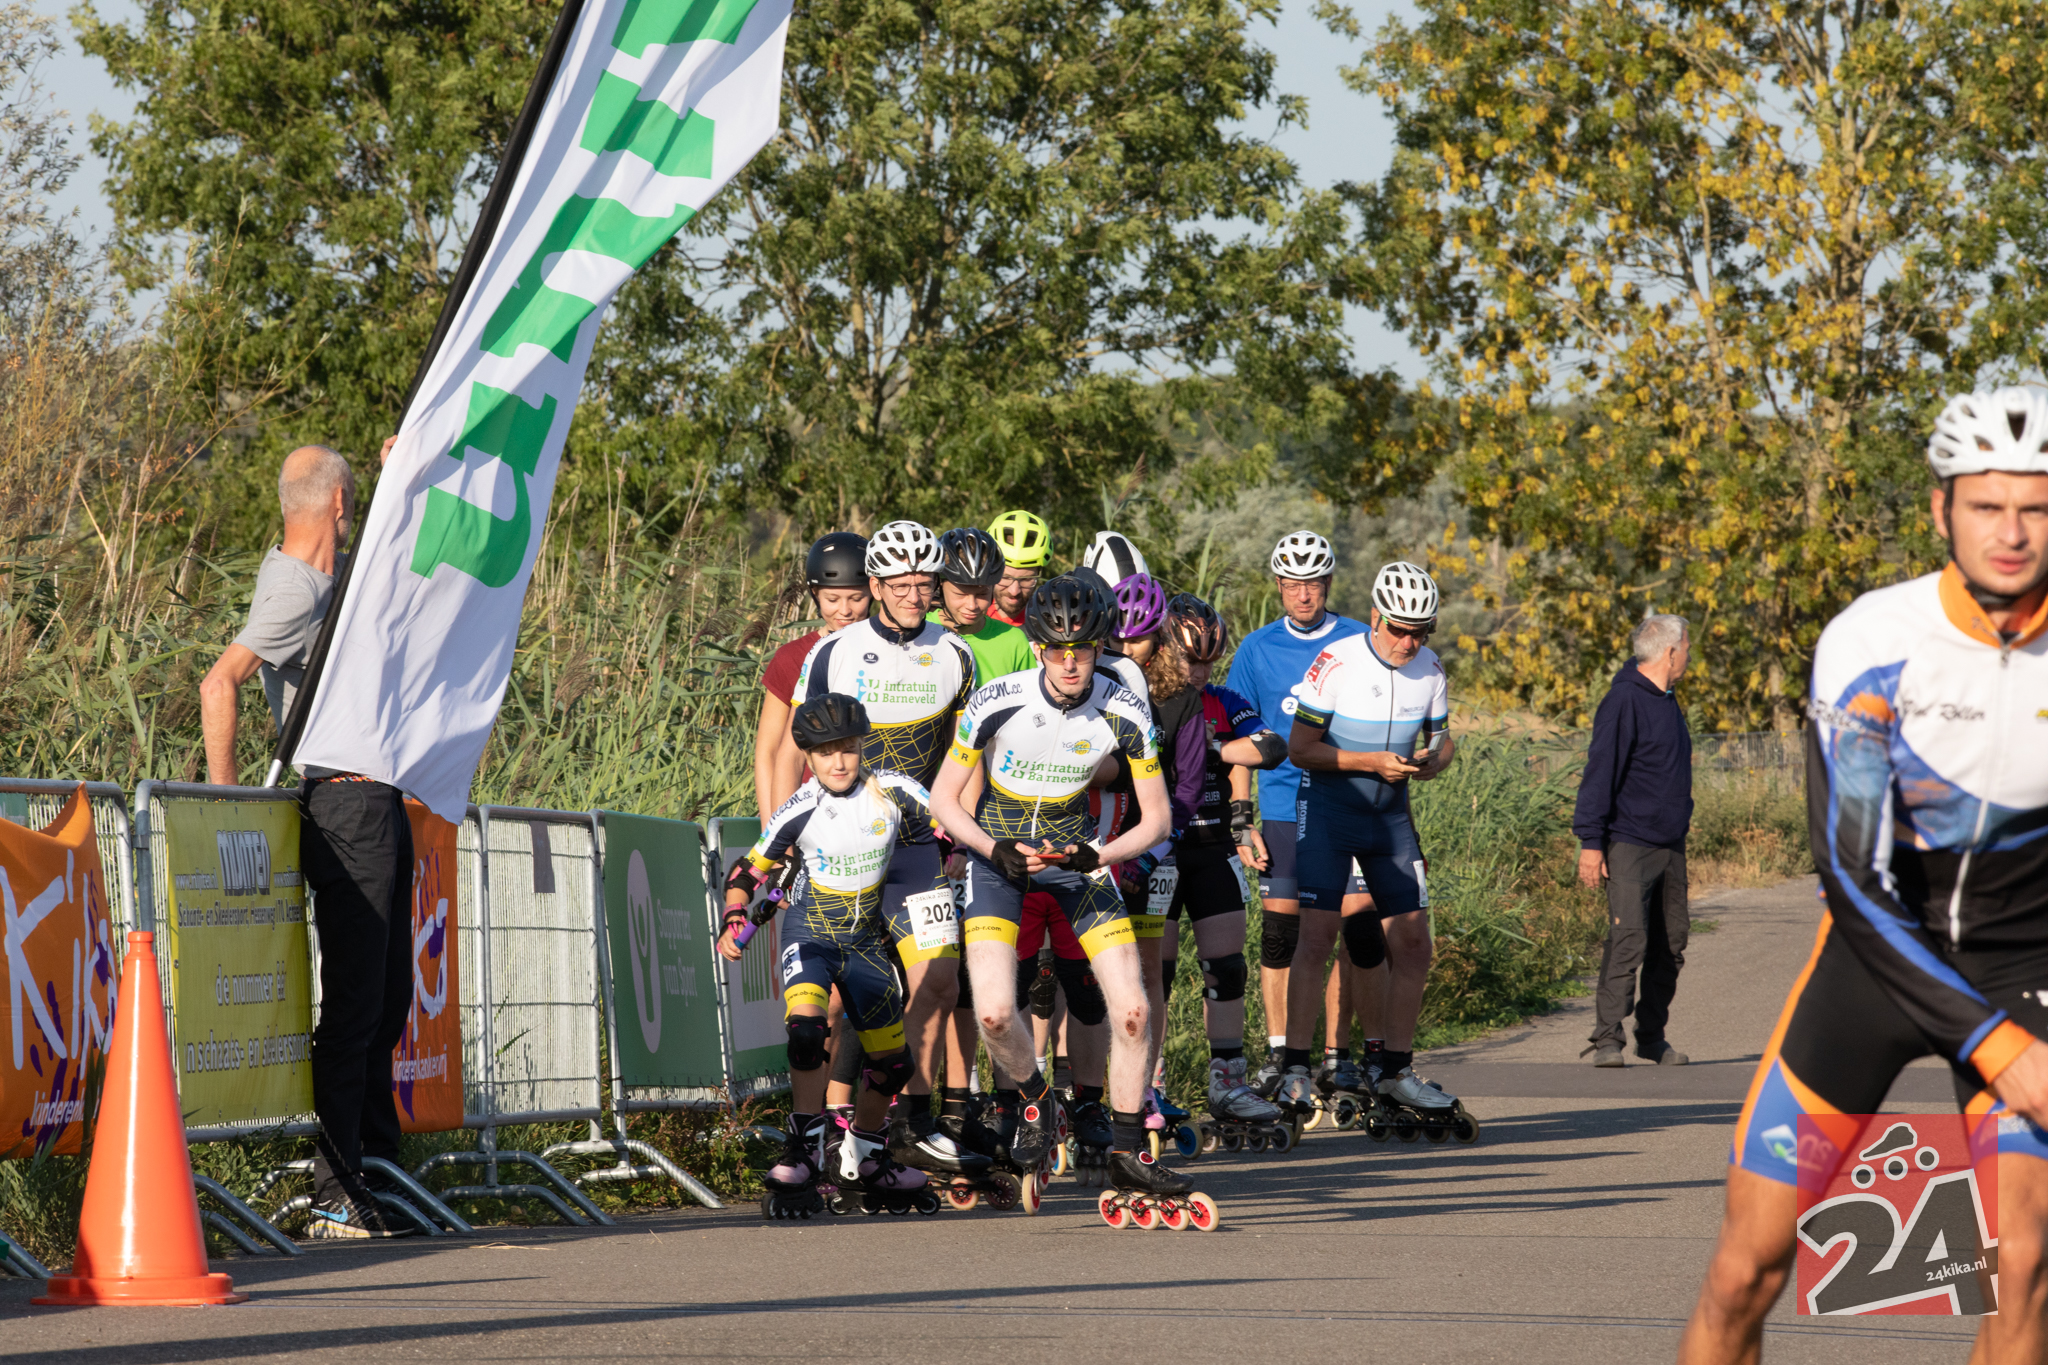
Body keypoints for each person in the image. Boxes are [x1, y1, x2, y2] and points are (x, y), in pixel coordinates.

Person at [1680, 388, 2048, 1363]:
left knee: (2022, 1271)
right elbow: (1849, 874)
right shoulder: (1873, 640)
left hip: (2025, 967)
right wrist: (1993, 1045)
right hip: (1875, 963)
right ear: (1940, 510)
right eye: (1986, 505)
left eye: (2035, 507)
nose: (2011, 532)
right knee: (1743, 1270)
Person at [930, 576, 1215, 1224]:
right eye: (1057, 649)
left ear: (1097, 649)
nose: (1068, 663)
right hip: (1001, 865)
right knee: (996, 1013)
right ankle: (1036, 1096)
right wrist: (991, 847)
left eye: (1081, 650)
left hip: (1079, 865)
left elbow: (1157, 819)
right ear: (1037, 647)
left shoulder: (1124, 709)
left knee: (1133, 1010)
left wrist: (1102, 855)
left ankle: (1125, 1152)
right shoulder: (995, 701)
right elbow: (945, 798)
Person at [199, 445, 411, 1240]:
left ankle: (377, 1175)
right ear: (338, 503)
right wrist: (227, 805)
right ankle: (333, 1189)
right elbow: (219, 681)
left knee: (387, 999)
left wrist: (403, 476)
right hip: (343, 802)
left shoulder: (334, 573)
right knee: (355, 1003)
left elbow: (399, 561)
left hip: (376, 797)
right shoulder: (293, 586)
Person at [795, 521, 975, 1164]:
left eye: (925, 584)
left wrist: (963, 833)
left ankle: (901, 1126)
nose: (914, 596)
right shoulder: (834, 652)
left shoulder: (955, 653)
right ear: (875, 586)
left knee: (939, 982)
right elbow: (801, 747)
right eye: (900, 585)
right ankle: (818, 1131)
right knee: (830, 1000)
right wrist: (791, 836)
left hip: (917, 846)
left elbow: (968, 752)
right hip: (844, 844)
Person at [720, 694, 933, 1217]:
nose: (838, 762)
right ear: (808, 758)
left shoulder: (895, 790)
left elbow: (949, 826)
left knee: (893, 1064)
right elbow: (746, 871)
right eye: (824, 753)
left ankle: (866, 1155)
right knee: (807, 1031)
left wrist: (955, 855)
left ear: (862, 746)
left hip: (865, 942)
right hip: (810, 935)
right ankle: (803, 1149)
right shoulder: (800, 806)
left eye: (848, 749)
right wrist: (734, 913)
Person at [1283, 561, 1468, 1136]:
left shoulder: (1430, 669)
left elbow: (1443, 740)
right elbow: (1300, 748)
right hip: (1330, 812)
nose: (1408, 643)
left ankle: (1395, 1071)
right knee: (1317, 938)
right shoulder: (1336, 661)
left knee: (1413, 943)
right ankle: (1295, 1069)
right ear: (1375, 617)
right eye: (1399, 630)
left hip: (1389, 819)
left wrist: (1436, 761)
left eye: (1421, 632)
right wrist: (1370, 762)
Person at [1223, 531, 1370, 1094]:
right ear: (1279, 586)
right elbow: (1238, 739)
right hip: (1284, 808)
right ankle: (1282, 1055)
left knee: (1354, 933)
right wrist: (1242, 820)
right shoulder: (1256, 649)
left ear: (1327, 583)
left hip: (1348, 806)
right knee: (1281, 938)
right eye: (1292, 584)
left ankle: (1337, 1054)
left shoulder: (1359, 639)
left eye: (1312, 584)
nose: (1303, 595)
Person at [1144, 593, 1289, 1131]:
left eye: (1210, 660)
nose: (1200, 672)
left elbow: (1270, 748)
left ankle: (1226, 1084)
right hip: (1158, 850)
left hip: (1211, 847)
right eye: (1191, 659)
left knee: (1226, 970)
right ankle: (1149, 1085)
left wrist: (1214, 747)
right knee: (1154, 975)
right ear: (1165, 649)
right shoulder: (1143, 699)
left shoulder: (1222, 701)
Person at [1573, 613, 1695, 1068]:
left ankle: (1651, 1036)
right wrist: (1591, 842)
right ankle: (1608, 1038)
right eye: (1687, 648)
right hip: (1629, 841)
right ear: (1671, 652)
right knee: (1629, 939)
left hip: (1670, 844)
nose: (1689, 657)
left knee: (1671, 944)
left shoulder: (1667, 698)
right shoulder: (1624, 699)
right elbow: (1600, 770)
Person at [755, 532, 871, 824]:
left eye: (856, 598)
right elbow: (768, 752)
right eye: (832, 599)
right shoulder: (792, 657)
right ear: (815, 595)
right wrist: (773, 832)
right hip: (810, 816)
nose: (845, 610)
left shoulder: (890, 651)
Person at [930, 528, 1035, 684]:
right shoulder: (919, 632)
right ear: (939, 586)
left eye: (982, 594)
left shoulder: (1015, 642)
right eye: (960, 594)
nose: (972, 605)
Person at [986, 509, 1051, 627]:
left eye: (1026, 579)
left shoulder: (1049, 624)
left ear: (1039, 573)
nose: (1014, 591)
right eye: (1005, 577)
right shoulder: (967, 615)